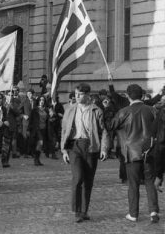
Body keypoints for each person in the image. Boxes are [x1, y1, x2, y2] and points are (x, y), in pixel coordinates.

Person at [109, 84, 159, 223]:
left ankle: (133, 214)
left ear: (127, 95)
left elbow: (111, 125)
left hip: (131, 152)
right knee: (150, 182)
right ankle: (153, 211)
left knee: (133, 184)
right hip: (149, 151)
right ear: (142, 95)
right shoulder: (152, 110)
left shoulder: (124, 111)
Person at [61, 83, 109, 223]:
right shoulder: (70, 110)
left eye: (80, 94)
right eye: (76, 94)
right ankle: (77, 211)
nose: (76, 96)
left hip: (91, 146)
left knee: (88, 180)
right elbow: (64, 130)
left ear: (88, 95)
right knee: (78, 177)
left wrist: (104, 148)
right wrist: (64, 150)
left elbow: (104, 131)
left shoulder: (96, 111)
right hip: (74, 146)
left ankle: (84, 211)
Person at [29, 96, 48, 166]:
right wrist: (29, 129)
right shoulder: (35, 110)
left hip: (44, 129)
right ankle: (36, 159)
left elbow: (49, 118)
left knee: (40, 145)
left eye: (43, 100)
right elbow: (31, 119)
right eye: (40, 100)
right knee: (40, 142)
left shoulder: (46, 110)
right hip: (37, 129)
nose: (41, 101)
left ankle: (37, 159)